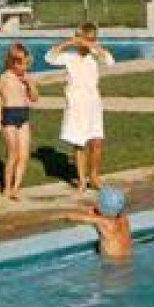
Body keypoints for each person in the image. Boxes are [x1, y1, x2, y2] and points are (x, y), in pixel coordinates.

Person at [47, 23, 114, 194]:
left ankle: (94, 176)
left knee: (97, 141)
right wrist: (70, 42)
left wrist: (93, 45)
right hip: (76, 104)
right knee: (79, 143)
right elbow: (49, 57)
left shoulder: (95, 56)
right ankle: (82, 179)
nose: (88, 42)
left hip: (92, 103)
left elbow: (110, 61)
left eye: (92, 39)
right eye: (86, 38)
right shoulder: (69, 57)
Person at [0, 42, 39, 200]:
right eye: (21, 64)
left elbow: (34, 98)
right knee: (12, 154)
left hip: (23, 116)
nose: (24, 68)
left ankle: (16, 188)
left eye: (26, 64)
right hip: (9, 115)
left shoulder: (27, 78)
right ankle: (7, 187)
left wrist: (30, 85)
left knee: (24, 155)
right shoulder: (5, 77)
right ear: (12, 63)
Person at [66, 187, 132, 259]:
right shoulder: (124, 219)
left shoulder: (104, 222)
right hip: (126, 259)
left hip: (112, 265)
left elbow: (72, 216)